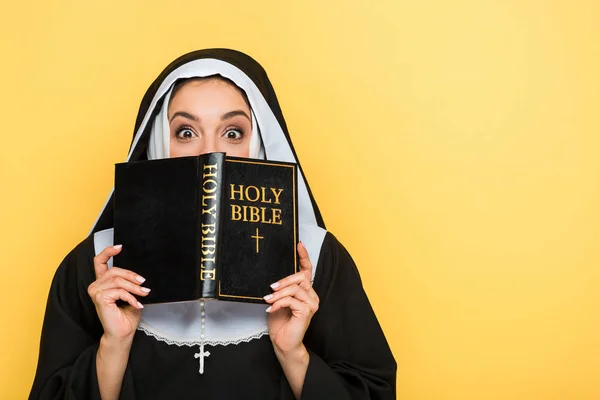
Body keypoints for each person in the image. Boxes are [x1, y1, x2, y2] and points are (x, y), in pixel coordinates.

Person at [29, 48, 396, 400]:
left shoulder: (315, 259)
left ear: (260, 143)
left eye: (233, 132)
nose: (210, 153)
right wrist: (114, 344)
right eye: (186, 132)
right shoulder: (97, 265)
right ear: (159, 141)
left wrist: (293, 353)